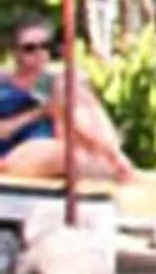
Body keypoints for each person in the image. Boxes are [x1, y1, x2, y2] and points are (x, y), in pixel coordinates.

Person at [0, 15, 141, 183]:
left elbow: (83, 118)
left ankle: (114, 155)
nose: (39, 53)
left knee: (68, 83)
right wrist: (41, 112)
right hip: (17, 152)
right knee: (71, 156)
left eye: (45, 46)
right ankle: (115, 163)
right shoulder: (4, 84)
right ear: (14, 52)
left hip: (61, 141)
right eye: (30, 48)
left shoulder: (53, 79)